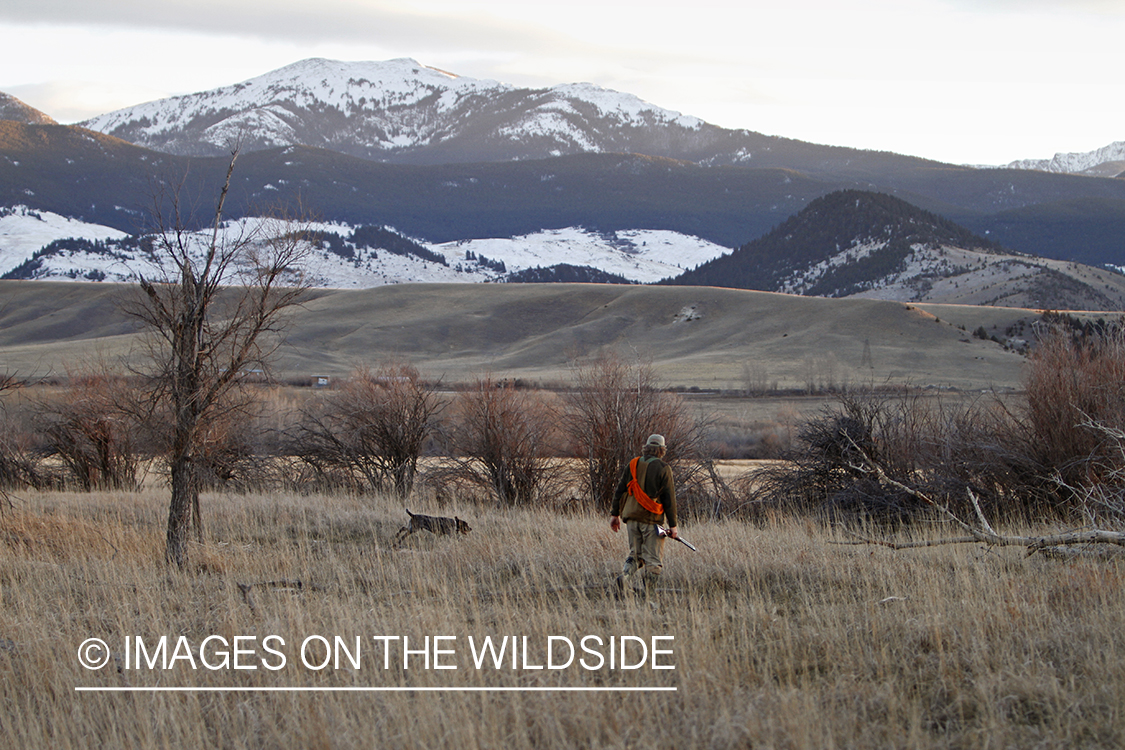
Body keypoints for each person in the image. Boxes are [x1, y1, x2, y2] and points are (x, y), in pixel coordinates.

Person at [609, 433, 678, 594]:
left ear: (646, 448)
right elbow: (669, 499)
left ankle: (625, 577)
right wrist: (673, 525)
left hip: (631, 519)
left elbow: (619, 491)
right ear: (662, 450)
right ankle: (649, 596)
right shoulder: (663, 468)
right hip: (652, 522)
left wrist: (615, 514)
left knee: (635, 555)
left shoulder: (633, 464)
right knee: (653, 560)